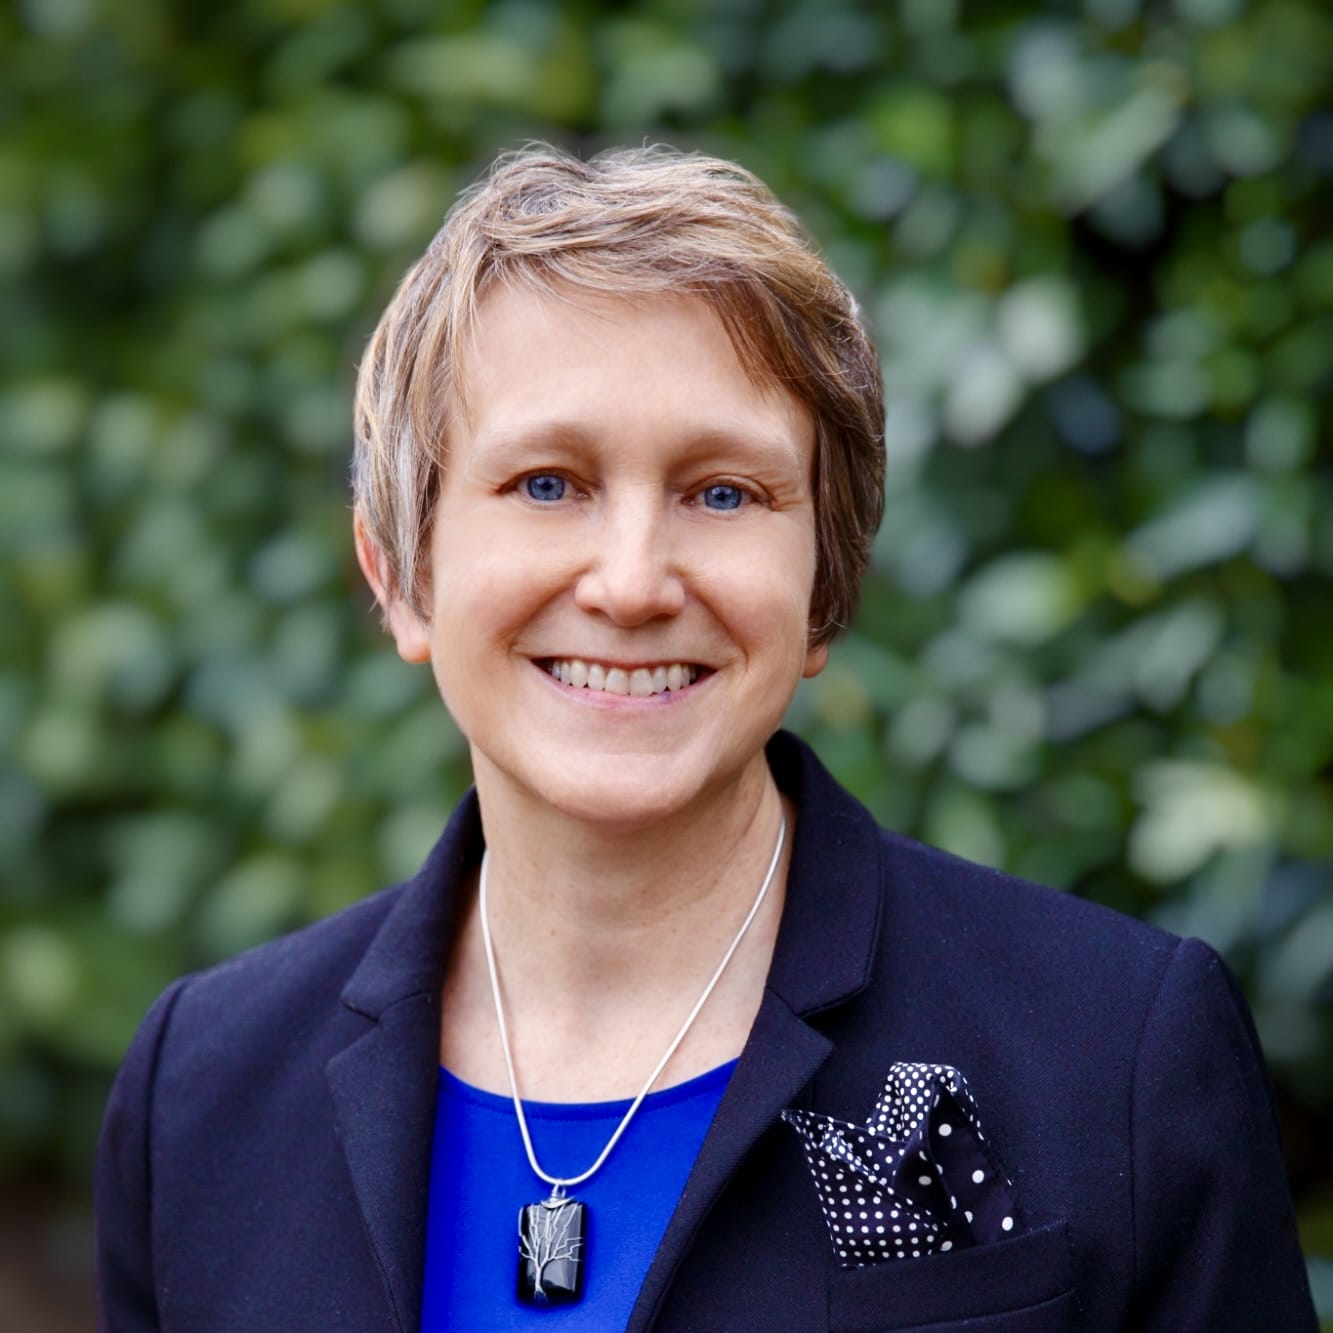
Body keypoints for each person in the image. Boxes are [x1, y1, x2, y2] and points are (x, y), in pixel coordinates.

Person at [95, 144, 1317, 1332]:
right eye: (547, 483)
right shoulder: (198, 1094)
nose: (631, 584)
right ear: (402, 573)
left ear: (825, 584)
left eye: (722, 492)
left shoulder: (1118, 1055)